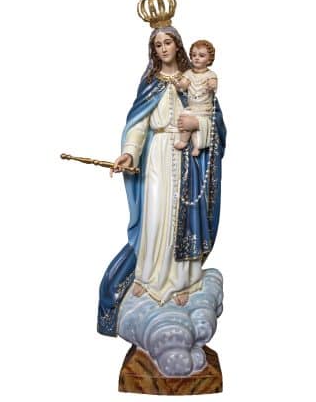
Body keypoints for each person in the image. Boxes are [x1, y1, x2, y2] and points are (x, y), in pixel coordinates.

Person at [97, 26, 226, 337]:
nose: (164, 48)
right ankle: (149, 278)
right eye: (158, 44)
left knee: (182, 218)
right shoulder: (150, 83)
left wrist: (198, 123)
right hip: (156, 156)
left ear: (178, 45)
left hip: (186, 158)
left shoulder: (193, 78)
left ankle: (183, 283)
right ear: (153, 50)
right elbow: (139, 124)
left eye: (168, 42)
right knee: (155, 217)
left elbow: (215, 123)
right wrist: (129, 153)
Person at [174, 40, 218, 156]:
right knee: (184, 118)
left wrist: (212, 85)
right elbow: (183, 85)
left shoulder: (210, 75)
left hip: (204, 108)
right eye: (194, 55)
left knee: (197, 128)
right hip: (192, 107)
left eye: (201, 56)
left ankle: (197, 146)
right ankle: (183, 141)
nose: (197, 58)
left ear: (209, 60)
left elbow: (213, 84)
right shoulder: (188, 73)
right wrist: (180, 84)